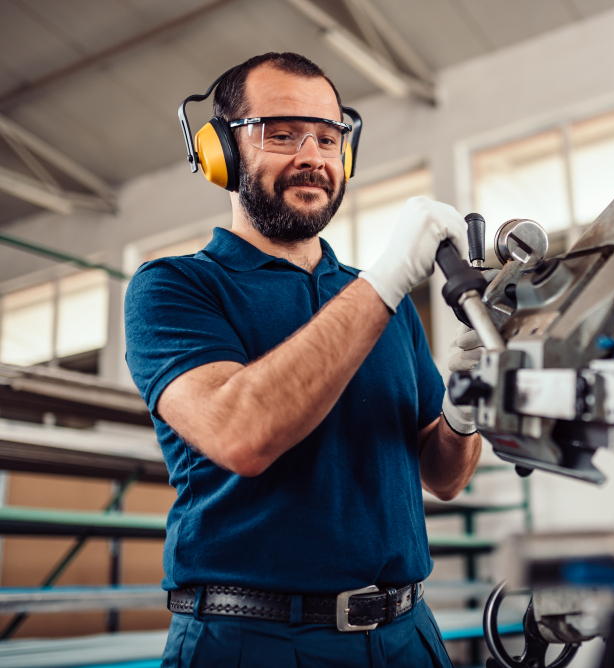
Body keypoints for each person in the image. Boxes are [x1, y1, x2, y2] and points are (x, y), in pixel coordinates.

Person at [124, 52, 483, 668]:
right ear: (220, 152)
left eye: (328, 136)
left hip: (407, 634)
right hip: (251, 642)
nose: (313, 156)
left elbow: (445, 477)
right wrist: (392, 276)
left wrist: (468, 405)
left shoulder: (386, 306)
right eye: (282, 134)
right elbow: (242, 433)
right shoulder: (175, 288)